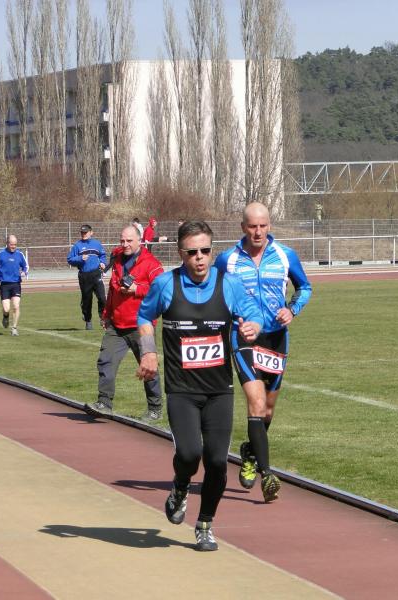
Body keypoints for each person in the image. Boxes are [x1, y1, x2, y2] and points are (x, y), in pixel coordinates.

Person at [136, 220, 263, 551]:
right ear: (181, 253)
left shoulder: (228, 284)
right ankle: (180, 486)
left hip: (219, 390)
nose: (200, 258)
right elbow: (144, 317)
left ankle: (205, 524)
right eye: (192, 252)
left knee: (218, 462)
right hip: (182, 390)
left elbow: (254, 313)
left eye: (205, 251)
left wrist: (253, 325)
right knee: (190, 454)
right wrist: (148, 352)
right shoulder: (166, 284)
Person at [215, 202, 312, 502]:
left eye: (263, 226)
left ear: (269, 226)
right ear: (242, 227)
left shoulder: (285, 255)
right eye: (252, 226)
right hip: (244, 338)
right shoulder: (227, 259)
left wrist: (292, 309)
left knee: (268, 409)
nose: (258, 232)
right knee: (255, 403)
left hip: (276, 338)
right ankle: (267, 475)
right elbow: (214, 293)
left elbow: (305, 287)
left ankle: (250, 452)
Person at [84, 225, 164, 422]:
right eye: (122, 241)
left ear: (140, 241)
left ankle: (155, 408)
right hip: (116, 325)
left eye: (129, 241)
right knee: (106, 361)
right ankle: (104, 403)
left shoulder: (151, 263)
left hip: (141, 326)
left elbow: (161, 290)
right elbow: (112, 290)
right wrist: (106, 314)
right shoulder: (117, 259)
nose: (125, 244)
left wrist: (138, 288)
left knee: (147, 367)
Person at [67, 224, 107, 330]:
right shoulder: (77, 245)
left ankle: (103, 318)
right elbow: (70, 259)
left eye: (85, 232)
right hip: (84, 276)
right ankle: (88, 320)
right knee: (87, 300)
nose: (83, 234)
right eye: (82, 232)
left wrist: (103, 263)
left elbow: (102, 256)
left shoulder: (97, 244)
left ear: (91, 232)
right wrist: (80, 258)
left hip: (96, 274)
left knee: (102, 298)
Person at [0, 234, 29, 337]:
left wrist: (24, 272)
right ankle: (5, 316)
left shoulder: (19, 254)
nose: (13, 246)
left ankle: (14, 328)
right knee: (6, 309)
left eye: (15, 244)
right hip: (4, 285)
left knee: (16, 306)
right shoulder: (0, 253)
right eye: (11, 244)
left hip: (16, 284)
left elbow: (26, 266)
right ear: (7, 243)